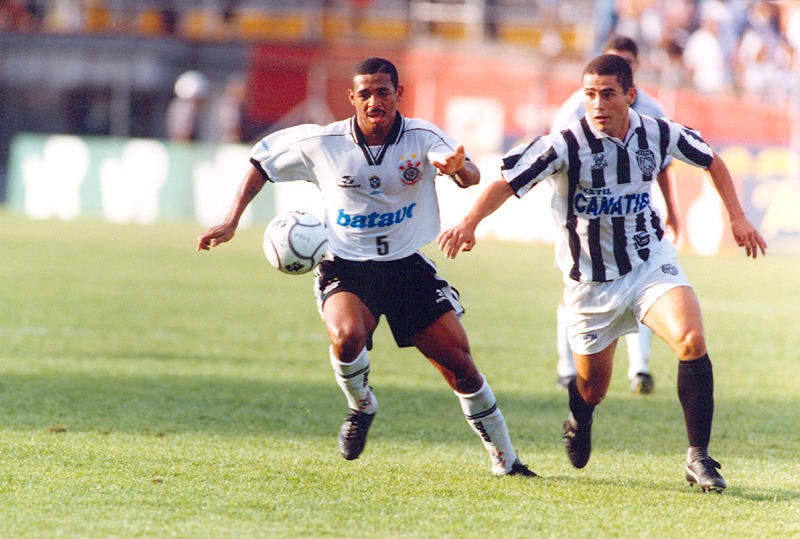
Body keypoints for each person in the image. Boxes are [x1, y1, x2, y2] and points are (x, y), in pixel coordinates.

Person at [438, 54, 766, 492]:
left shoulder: (658, 132)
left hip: (650, 263)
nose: (597, 104)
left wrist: (738, 217)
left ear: (631, 96)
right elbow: (506, 182)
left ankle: (699, 457)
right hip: (590, 284)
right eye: (589, 94)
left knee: (691, 339)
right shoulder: (564, 145)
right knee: (593, 388)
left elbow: (713, 160)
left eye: (607, 94)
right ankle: (581, 415)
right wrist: (468, 222)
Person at [197, 57, 536, 477]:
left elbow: (467, 172)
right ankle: (361, 406)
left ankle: (506, 460)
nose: (375, 100)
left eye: (384, 92)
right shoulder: (324, 142)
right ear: (352, 97)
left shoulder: (423, 136)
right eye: (366, 93)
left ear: (399, 94)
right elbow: (260, 162)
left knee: (462, 369)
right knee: (346, 336)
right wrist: (232, 220)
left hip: (407, 268)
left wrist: (458, 170)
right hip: (347, 268)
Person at [550, 35, 681, 395]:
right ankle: (567, 368)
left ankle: (639, 369)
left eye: (625, 61)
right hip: (584, 223)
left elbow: (664, 164)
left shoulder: (652, 109)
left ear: (634, 70)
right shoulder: (574, 109)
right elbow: (552, 161)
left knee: (646, 285)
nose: (601, 101)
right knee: (576, 290)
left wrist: (672, 209)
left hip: (633, 217)